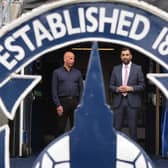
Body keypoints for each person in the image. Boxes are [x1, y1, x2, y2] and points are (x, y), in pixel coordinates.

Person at [109, 47, 145, 141]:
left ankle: (133, 154)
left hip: (132, 103)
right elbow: (111, 86)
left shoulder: (137, 68)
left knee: (133, 130)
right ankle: (116, 152)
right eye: (123, 55)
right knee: (116, 129)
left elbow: (142, 86)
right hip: (118, 103)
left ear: (131, 56)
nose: (125, 57)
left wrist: (131, 88)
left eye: (127, 55)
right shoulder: (115, 69)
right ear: (121, 57)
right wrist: (117, 89)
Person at [52, 51, 83, 137]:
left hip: (75, 102)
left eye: (73, 59)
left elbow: (81, 89)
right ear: (65, 59)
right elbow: (54, 90)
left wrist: (80, 104)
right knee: (60, 127)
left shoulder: (77, 73)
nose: (72, 60)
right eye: (70, 58)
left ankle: (76, 148)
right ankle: (58, 149)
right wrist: (58, 105)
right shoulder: (57, 72)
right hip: (62, 102)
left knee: (76, 127)